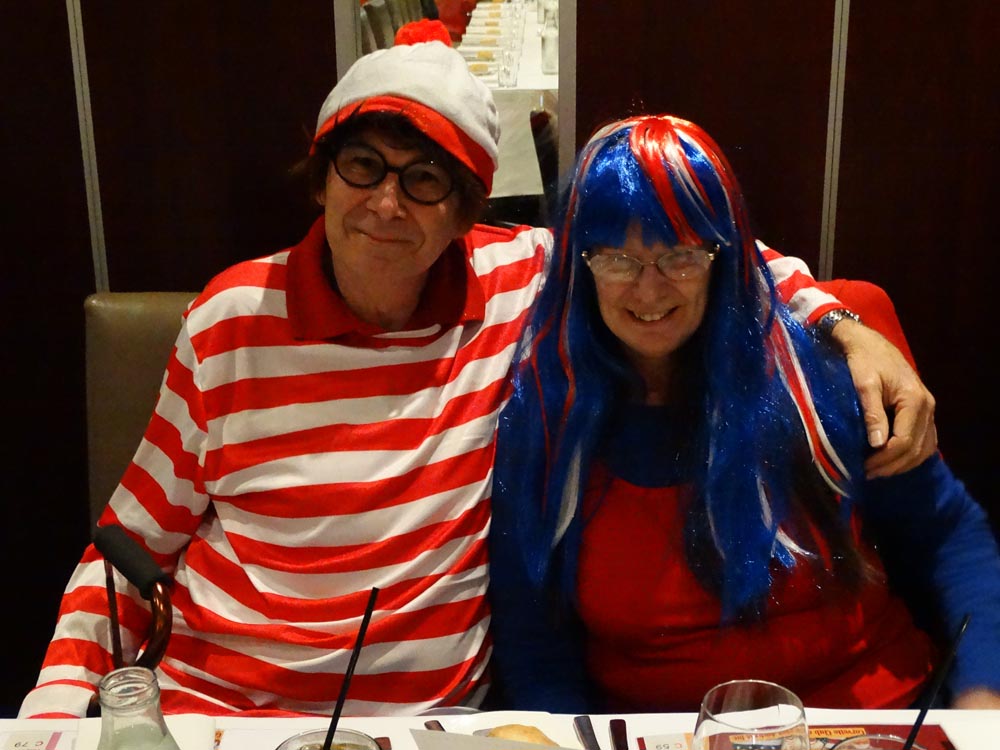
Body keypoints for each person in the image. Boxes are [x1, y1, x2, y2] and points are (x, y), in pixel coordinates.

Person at [20, 43, 934, 719]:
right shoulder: (227, 322)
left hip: (430, 726)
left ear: (466, 212)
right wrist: (53, 715)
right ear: (321, 178)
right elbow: (126, 548)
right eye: (362, 166)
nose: (386, 203)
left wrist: (844, 324)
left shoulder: (521, 286)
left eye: (425, 180)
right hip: (219, 713)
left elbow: (694, 250)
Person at [487, 114, 1000, 714]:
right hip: (666, 733)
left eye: (679, 256)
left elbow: (950, 537)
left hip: (868, 717)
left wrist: (984, 698)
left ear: (721, 259)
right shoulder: (546, 419)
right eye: (617, 260)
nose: (648, 291)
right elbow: (535, 646)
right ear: (582, 265)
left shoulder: (820, 381)